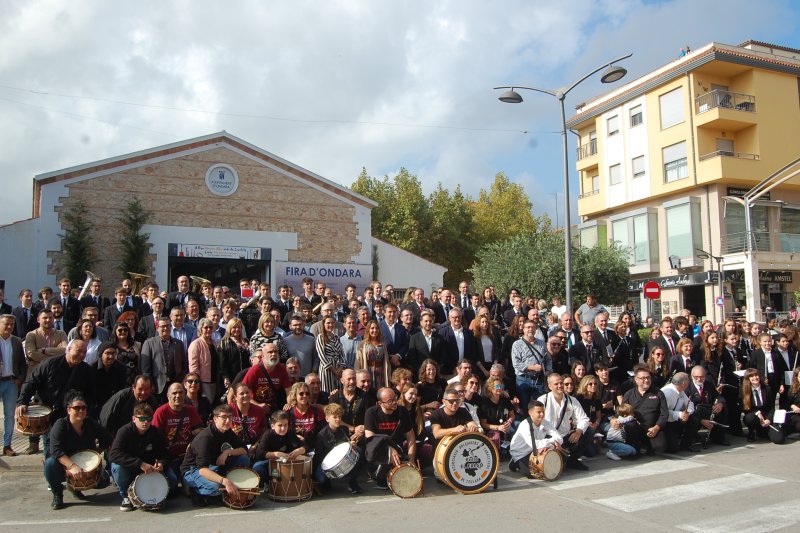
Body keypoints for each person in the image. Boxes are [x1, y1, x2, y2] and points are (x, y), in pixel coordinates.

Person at [16, 339, 96, 455]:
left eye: (84, 352)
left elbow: (90, 394)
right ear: (68, 349)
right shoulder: (49, 364)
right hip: (50, 412)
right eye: (78, 351)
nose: (81, 355)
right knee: (51, 447)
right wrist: (22, 401)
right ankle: (50, 468)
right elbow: (31, 383)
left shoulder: (86, 370)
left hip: (72, 414)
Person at [44, 393, 112, 509]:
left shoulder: (89, 423)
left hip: (83, 463)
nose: (81, 411)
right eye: (77, 408)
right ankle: (57, 494)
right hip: (63, 464)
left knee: (104, 481)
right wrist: (72, 466)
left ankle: (75, 488)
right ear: (69, 410)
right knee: (50, 464)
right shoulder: (60, 425)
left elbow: (107, 438)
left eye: (83, 408)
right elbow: (56, 450)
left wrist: (95, 455)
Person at [109, 402, 176, 511]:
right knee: (117, 467)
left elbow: (165, 453)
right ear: (134, 419)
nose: (145, 422)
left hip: (150, 469)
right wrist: (139, 463)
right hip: (130, 467)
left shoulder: (156, 432)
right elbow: (114, 454)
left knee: (173, 480)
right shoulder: (124, 431)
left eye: (148, 419)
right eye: (141, 419)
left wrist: (161, 463)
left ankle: (158, 497)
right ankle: (125, 496)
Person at [181, 404, 250, 506]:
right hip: (193, 470)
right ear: (215, 419)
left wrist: (227, 452)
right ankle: (194, 489)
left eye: (230, 417)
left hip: (213, 466)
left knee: (244, 459)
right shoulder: (205, 437)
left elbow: (244, 450)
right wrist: (225, 481)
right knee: (217, 488)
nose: (227, 421)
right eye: (224, 417)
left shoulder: (227, 431)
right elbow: (202, 469)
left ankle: (217, 490)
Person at [364, 387, 416, 490]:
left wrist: (411, 459)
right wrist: (389, 449)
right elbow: (370, 438)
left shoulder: (402, 411)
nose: (394, 402)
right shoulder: (371, 413)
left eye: (395, 398)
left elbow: (411, 437)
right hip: (378, 450)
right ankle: (378, 474)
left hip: (398, 449)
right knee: (383, 481)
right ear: (380, 403)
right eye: (390, 401)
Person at [537, 373, 591, 470]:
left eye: (561, 383)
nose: (560, 386)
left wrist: (579, 431)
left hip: (565, 437)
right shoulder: (542, 400)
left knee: (589, 432)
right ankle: (562, 459)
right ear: (549, 386)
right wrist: (552, 441)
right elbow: (537, 423)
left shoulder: (571, 400)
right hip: (548, 438)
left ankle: (572, 460)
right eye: (556, 384)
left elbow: (583, 418)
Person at [152, 382, 204, 482]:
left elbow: (200, 431)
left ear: (184, 395)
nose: (178, 396)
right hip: (169, 457)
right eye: (174, 393)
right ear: (168, 396)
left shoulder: (190, 410)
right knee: (172, 483)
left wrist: (193, 442)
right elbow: (155, 438)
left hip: (187, 456)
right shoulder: (161, 412)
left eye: (180, 392)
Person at [312, 403, 364, 494]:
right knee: (321, 479)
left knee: (358, 452)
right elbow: (319, 455)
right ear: (327, 418)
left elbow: (347, 446)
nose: (338, 419)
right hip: (327, 463)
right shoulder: (321, 434)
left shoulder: (344, 429)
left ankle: (352, 482)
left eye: (340, 417)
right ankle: (325, 482)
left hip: (342, 461)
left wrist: (352, 445)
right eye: (335, 417)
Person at [251, 410, 308, 484]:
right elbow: (259, 453)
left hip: (287, 463)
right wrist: (275, 454)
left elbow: (306, 447)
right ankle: (268, 484)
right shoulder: (268, 435)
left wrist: (298, 451)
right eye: (280, 425)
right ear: (272, 426)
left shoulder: (290, 433)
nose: (283, 428)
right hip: (270, 463)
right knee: (257, 468)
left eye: (285, 425)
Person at [508, 400, 563, 476]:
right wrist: (550, 443)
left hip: (536, 451)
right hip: (521, 453)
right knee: (531, 473)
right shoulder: (525, 425)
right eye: (539, 412)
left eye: (543, 411)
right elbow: (534, 445)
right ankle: (514, 462)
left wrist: (548, 446)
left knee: (559, 466)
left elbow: (559, 438)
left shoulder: (546, 423)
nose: (542, 414)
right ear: (530, 413)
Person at [622, 364, 668, 454]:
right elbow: (623, 413)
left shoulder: (658, 393)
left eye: (648, 378)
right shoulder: (629, 394)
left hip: (653, 428)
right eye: (643, 378)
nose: (646, 380)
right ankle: (636, 446)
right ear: (636, 380)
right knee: (629, 426)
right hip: (636, 428)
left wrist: (657, 427)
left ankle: (648, 445)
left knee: (660, 447)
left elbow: (664, 414)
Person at [140, 317, 186, 400]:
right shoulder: (149, 343)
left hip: (175, 384)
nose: (165, 328)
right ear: (157, 328)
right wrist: (150, 384)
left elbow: (184, 364)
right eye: (163, 326)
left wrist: (182, 380)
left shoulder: (179, 343)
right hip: (157, 386)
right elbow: (145, 368)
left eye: (168, 326)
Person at [0, 314, 26, 456]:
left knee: (10, 416)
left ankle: (7, 445)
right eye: (6, 324)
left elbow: (23, 363)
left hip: (11, 382)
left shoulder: (16, 341)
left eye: (12, 325)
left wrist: (20, 379)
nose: (9, 327)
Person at [242, 344, 292, 416]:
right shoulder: (254, 370)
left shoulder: (282, 369)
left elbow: (289, 391)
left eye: (275, 352)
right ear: (263, 356)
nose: (274, 354)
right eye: (270, 352)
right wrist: (258, 405)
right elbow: (243, 393)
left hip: (274, 408)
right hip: (255, 407)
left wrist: (289, 404)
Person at [512, 319, 551, 411]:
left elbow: (548, 359)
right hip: (523, 380)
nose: (531, 329)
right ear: (523, 329)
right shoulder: (517, 344)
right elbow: (516, 364)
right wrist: (533, 367)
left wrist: (548, 370)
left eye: (533, 327)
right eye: (528, 327)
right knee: (525, 407)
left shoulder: (541, 343)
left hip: (538, 380)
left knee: (539, 406)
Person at [328, 368, 373, 445]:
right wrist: (352, 428)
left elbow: (371, 418)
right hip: (340, 436)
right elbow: (332, 419)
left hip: (361, 436)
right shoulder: (334, 398)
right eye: (349, 379)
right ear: (342, 380)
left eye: (354, 379)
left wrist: (363, 428)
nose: (352, 382)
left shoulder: (365, 396)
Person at [660, 372, 701, 453]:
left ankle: (686, 445)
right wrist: (679, 414)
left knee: (694, 418)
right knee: (672, 449)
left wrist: (687, 413)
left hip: (677, 419)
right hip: (667, 422)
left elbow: (690, 404)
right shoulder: (667, 392)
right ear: (684, 383)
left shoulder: (681, 391)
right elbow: (662, 412)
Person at [740, 368, 780, 443]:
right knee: (749, 418)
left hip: (766, 416)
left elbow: (772, 408)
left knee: (779, 439)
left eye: (756, 375)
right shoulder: (743, 391)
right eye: (752, 376)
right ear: (748, 379)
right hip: (753, 416)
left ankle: (761, 431)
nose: (755, 378)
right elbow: (744, 409)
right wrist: (758, 414)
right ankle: (752, 432)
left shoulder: (767, 389)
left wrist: (768, 420)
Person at [218, 317, 250, 402]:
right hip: (232, 376)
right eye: (234, 327)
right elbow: (222, 362)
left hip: (245, 375)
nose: (237, 329)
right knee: (232, 399)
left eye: (239, 327)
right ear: (229, 328)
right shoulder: (224, 342)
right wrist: (225, 377)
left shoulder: (246, 341)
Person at [286, 381, 325, 449]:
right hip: (293, 448)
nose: (305, 396)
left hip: (312, 447)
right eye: (301, 393)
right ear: (295, 395)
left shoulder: (316, 411)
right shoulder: (288, 412)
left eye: (307, 393)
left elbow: (322, 432)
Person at [479, 376, 515, 451]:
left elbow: (512, 414)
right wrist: (498, 427)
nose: (500, 388)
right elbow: (483, 424)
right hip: (491, 429)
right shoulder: (485, 403)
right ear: (490, 388)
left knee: (516, 426)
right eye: (497, 386)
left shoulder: (505, 399)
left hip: (505, 426)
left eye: (501, 386)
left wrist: (509, 421)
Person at [228, 382, 267, 450]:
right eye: (241, 393)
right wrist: (231, 434)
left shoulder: (259, 410)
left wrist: (255, 446)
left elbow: (264, 433)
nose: (245, 395)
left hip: (254, 446)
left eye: (247, 392)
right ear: (235, 397)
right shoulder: (228, 410)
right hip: (233, 446)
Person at [356, 319, 390, 390]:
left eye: (377, 328)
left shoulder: (383, 344)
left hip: (380, 372)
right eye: (372, 328)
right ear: (368, 330)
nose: (375, 330)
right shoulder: (362, 344)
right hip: (368, 370)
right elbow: (358, 361)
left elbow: (386, 361)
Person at [93, 342, 128, 410]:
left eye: (113, 353)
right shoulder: (93, 368)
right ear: (101, 354)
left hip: (113, 404)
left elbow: (121, 389)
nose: (111, 356)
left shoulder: (121, 368)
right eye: (107, 353)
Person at [316, 316, 346, 393]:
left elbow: (342, 354)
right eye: (328, 323)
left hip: (338, 368)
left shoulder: (337, 337)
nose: (330, 325)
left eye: (332, 323)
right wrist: (333, 370)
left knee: (338, 392)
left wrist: (341, 368)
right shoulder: (320, 337)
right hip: (327, 370)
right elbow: (321, 355)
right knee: (327, 392)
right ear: (323, 324)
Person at [110, 320, 140, 387]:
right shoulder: (112, 346)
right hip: (118, 378)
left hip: (134, 379)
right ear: (115, 332)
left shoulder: (137, 345)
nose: (123, 332)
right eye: (120, 330)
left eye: (125, 330)